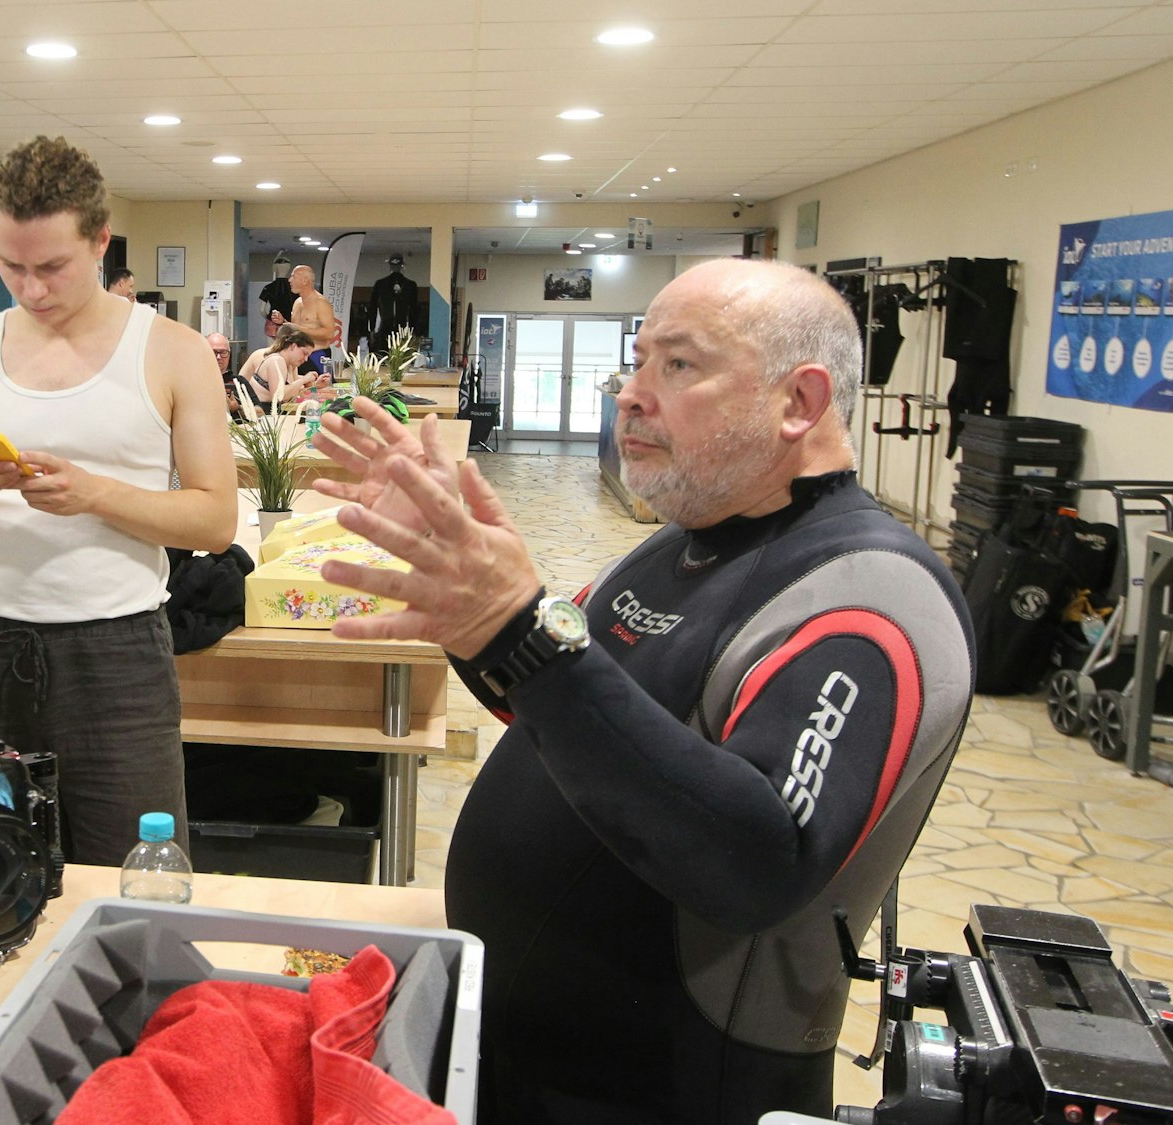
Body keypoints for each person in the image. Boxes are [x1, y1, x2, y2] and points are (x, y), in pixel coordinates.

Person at [309, 259, 974, 1124]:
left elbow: (757, 862)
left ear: (800, 401)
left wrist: (518, 630)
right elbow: (549, 707)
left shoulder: (874, 591)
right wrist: (471, 609)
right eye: (637, 361)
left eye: (679, 364)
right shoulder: (684, 541)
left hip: (670, 1088)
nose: (629, 393)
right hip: (530, 1055)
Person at [0, 136, 235, 866]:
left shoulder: (173, 350)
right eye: (10, 265)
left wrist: (95, 494)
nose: (31, 289)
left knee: (132, 870)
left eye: (52, 266)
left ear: (100, 242)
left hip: (119, 651)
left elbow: (215, 520)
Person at [238, 324, 324, 412]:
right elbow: (279, 396)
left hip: (272, 409)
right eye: (304, 353)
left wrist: (313, 384)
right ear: (293, 346)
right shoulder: (276, 360)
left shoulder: (289, 362)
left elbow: (294, 391)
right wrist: (303, 380)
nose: (306, 359)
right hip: (263, 411)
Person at [287, 264, 338, 376]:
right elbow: (294, 330)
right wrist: (283, 323)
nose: (290, 280)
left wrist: (300, 329)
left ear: (304, 281)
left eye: (293, 277)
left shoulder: (320, 302)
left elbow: (329, 333)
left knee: (323, 386)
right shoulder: (297, 302)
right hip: (297, 357)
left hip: (316, 355)